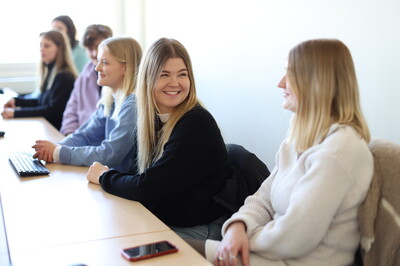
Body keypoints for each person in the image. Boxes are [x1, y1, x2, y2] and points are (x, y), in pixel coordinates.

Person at [205, 39, 374, 266]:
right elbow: (264, 198)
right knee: (172, 251)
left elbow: (294, 238)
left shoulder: (339, 150)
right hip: (271, 255)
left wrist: (244, 238)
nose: (280, 83)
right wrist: (239, 225)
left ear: (316, 82)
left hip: (294, 261)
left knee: (173, 254)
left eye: (290, 74)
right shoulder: (298, 140)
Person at [86, 38, 233, 240]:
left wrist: (104, 176)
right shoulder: (151, 119)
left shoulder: (195, 123)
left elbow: (148, 188)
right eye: (164, 75)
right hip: (166, 221)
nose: (175, 83)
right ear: (147, 79)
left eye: (182, 74)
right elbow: (137, 174)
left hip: (199, 230)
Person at [32, 36, 142, 172]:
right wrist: (54, 149)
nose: (97, 68)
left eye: (105, 62)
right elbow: (85, 135)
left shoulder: (132, 104)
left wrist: (58, 152)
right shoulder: (109, 100)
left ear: (126, 68)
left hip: (124, 187)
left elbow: (109, 154)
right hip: (108, 179)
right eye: (98, 61)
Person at [1, 30, 77, 130]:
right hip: (47, 127)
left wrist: (16, 113)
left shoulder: (65, 77)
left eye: (47, 46)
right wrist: (17, 101)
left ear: (59, 49)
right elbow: (41, 102)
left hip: (56, 131)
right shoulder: (50, 72)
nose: (41, 49)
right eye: (41, 45)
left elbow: (52, 111)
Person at [60, 24, 113, 136]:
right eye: (90, 49)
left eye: (98, 47)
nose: (94, 54)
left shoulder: (116, 74)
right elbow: (71, 110)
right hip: (80, 140)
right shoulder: (85, 73)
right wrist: (70, 135)